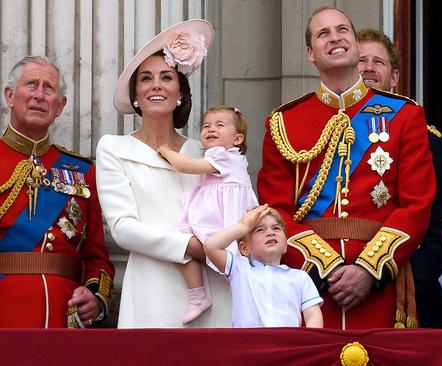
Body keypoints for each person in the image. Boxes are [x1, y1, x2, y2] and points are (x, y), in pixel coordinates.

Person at [257, 7, 435, 330]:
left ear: (354, 42)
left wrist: (369, 269)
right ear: (311, 53)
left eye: (343, 30)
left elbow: (417, 206)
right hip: (308, 287)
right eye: (323, 33)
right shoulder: (284, 122)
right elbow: (275, 211)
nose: (335, 37)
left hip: (380, 287)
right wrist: (323, 267)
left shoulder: (405, 115)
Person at [96, 19, 232, 328]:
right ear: (136, 96)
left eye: (166, 77)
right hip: (152, 289)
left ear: (180, 93)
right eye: (146, 78)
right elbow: (122, 228)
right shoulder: (114, 149)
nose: (156, 85)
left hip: (215, 287)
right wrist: (189, 247)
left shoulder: (204, 152)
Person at [357, 28, 442, 328]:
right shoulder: (326, 134)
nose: (368, 68)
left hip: (408, 291)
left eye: (378, 62)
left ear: (395, 77)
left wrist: (397, 284)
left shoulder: (426, 140)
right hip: (338, 286)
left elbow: (437, 232)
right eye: (360, 60)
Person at [0, 56, 114, 328]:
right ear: (10, 96)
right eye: (31, 84)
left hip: (64, 319)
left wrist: (95, 298)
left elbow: (96, 255)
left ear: (60, 106)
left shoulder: (83, 171)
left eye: (48, 88)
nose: (39, 95)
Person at [157, 105, 258, 324]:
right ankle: (197, 294)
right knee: (179, 245)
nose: (211, 129)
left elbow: (185, 165)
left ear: (238, 139)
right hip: (212, 215)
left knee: (187, 245)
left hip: (222, 220)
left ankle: (200, 295)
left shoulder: (227, 156)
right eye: (206, 126)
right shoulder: (218, 156)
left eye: (220, 125)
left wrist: (165, 151)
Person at [204, 204, 323, 328]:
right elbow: (211, 246)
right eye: (260, 229)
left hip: (287, 344)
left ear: (285, 246)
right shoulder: (239, 269)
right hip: (249, 344)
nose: (270, 233)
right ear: (244, 249)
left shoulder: (300, 277)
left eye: (276, 228)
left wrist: (309, 345)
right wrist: (244, 226)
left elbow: (313, 315)